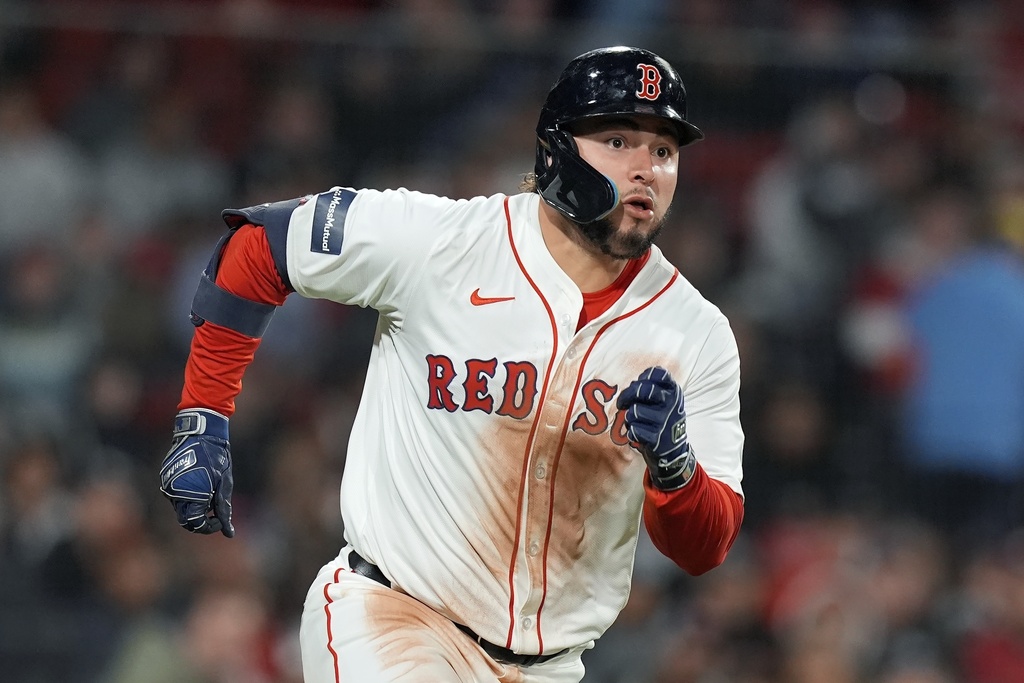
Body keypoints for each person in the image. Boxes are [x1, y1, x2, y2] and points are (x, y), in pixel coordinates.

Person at [158, 46, 745, 683]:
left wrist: (675, 470)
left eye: (663, 150)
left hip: (550, 668)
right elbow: (259, 246)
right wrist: (203, 417)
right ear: (556, 150)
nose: (646, 169)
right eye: (617, 139)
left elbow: (706, 547)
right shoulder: (441, 243)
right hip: (393, 619)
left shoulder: (697, 333)